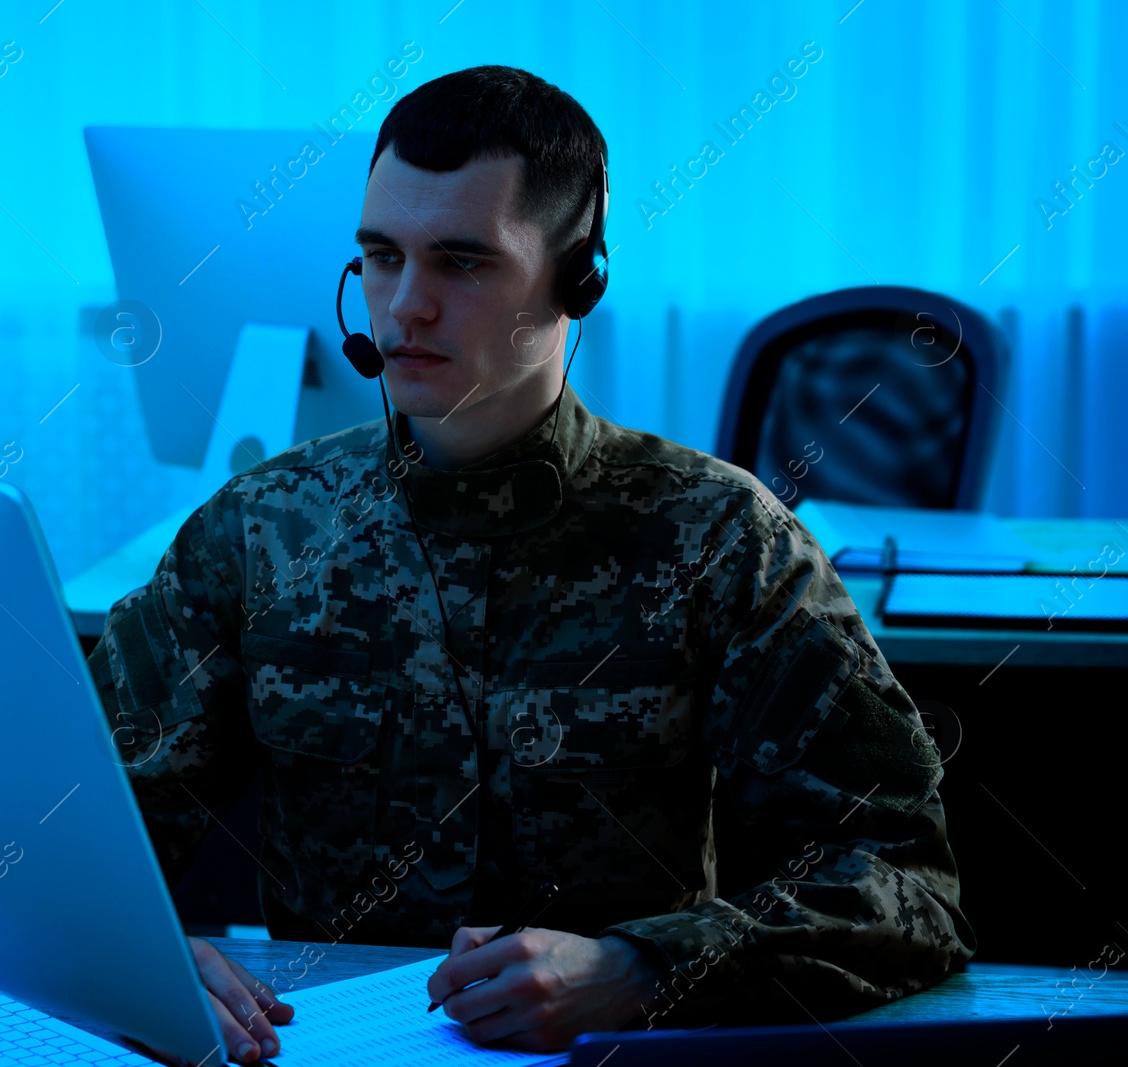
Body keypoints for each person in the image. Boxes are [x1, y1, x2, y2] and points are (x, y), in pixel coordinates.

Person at [85, 64, 975, 1062]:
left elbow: (903, 881)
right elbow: (64, 834)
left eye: (461, 263)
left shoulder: (720, 537)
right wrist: (141, 952)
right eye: (380, 256)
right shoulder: (260, 529)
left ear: (575, 278)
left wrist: (645, 966)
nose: (404, 307)